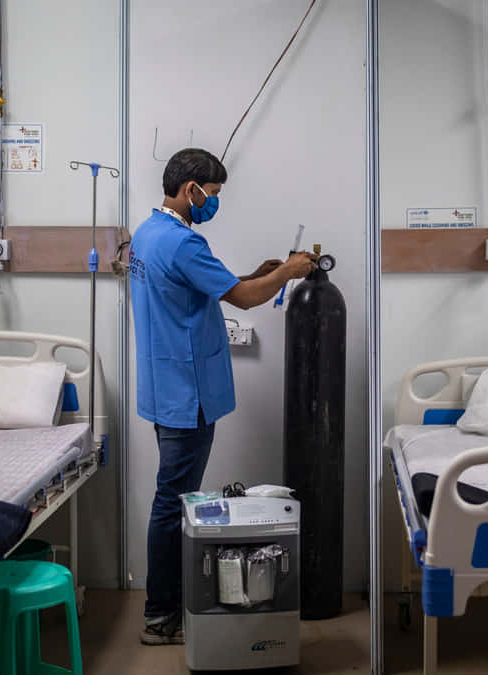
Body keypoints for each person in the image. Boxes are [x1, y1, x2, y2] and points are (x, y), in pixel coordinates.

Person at [129, 147, 316, 645]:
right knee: (171, 503)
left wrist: (259, 271)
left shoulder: (149, 234)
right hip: (187, 395)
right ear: (191, 190)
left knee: (169, 498)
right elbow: (245, 298)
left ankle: (161, 608)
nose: (214, 203)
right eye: (212, 194)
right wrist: (289, 271)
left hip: (164, 387)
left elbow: (219, 286)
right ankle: (159, 616)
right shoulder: (184, 243)